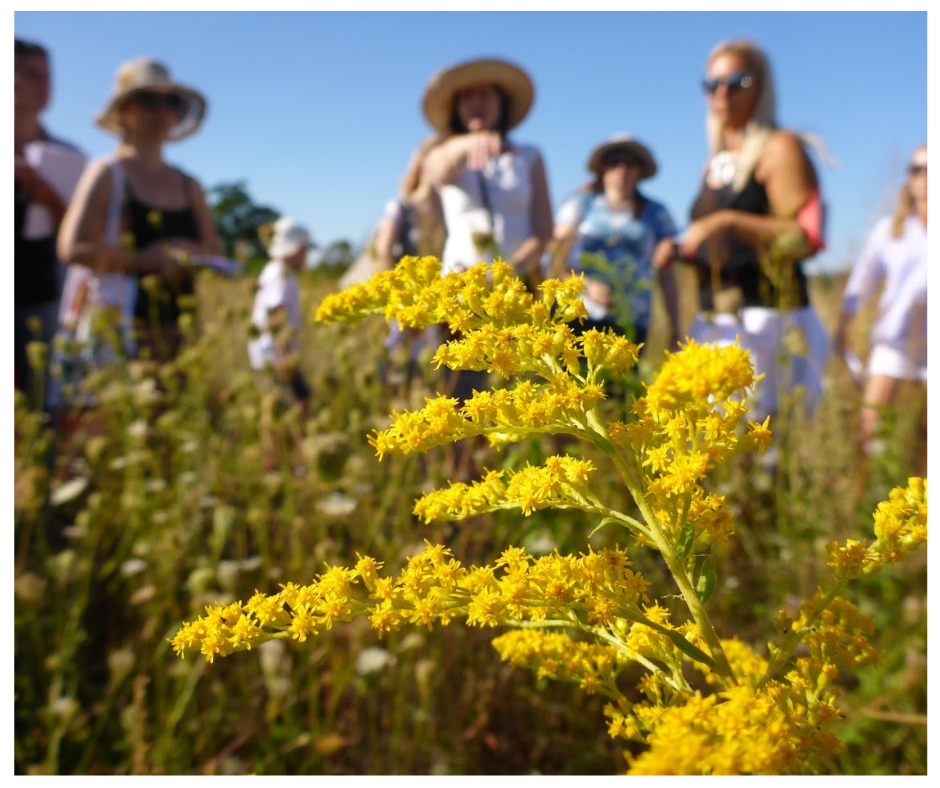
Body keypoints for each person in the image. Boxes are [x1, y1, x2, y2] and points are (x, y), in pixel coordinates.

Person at [654, 40, 830, 422]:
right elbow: (721, 245)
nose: (723, 93)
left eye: (737, 82)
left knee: (760, 443)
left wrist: (726, 222)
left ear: (761, 87)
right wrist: (683, 249)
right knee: (706, 440)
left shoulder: (780, 148)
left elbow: (804, 239)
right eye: (712, 84)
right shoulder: (716, 161)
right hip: (715, 320)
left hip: (768, 320)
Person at [57, 57, 220, 363]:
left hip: (179, 327)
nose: (161, 110)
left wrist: (191, 254)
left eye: (170, 102)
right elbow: (72, 248)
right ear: (124, 110)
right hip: (117, 326)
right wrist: (146, 260)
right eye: (148, 100)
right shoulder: (106, 173)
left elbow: (215, 251)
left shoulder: (190, 185)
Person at [421, 57, 553, 288]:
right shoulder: (440, 153)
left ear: (501, 103)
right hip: (459, 285)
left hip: (517, 286)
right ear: (456, 107)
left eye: (484, 95)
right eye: (467, 96)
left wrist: (511, 268)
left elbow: (544, 229)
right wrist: (467, 143)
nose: (476, 103)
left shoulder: (529, 156)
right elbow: (439, 170)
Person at [834, 144, 927, 460]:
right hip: (894, 341)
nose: (924, 177)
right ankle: (865, 502)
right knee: (871, 428)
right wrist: (844, 326)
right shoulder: (890, 230)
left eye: (931, 168)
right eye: (916, 169)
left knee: (925, 440)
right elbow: (862, 281)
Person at [553, 134, 680, 349]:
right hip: (578, 315)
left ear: (639, 170)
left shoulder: (656, 213)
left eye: (630, 163)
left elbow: (667, 274)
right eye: (614, 161)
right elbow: (555, 260)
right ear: (603, 167)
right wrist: (588, 286)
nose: (622, 168)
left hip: (632, 322)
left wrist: (675, 328)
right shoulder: (579, 205)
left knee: (622, 382)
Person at [15, 38, 87, 406]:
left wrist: (50, 199)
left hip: (43, 300)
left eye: (47, 76)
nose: (43, 86)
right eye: (30, 75)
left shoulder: (69, 158)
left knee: (42, 407)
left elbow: (83, 238)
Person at [248, 217, 316, 419]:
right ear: (295, 249)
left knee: (283, 405)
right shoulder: (280, 274)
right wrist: (286, 359)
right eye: (305, 250)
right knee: (291, 405)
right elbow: (275, 317)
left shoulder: (276, 271)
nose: (307, 256)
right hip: (276, 355)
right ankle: (280, 449)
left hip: (273, 353)